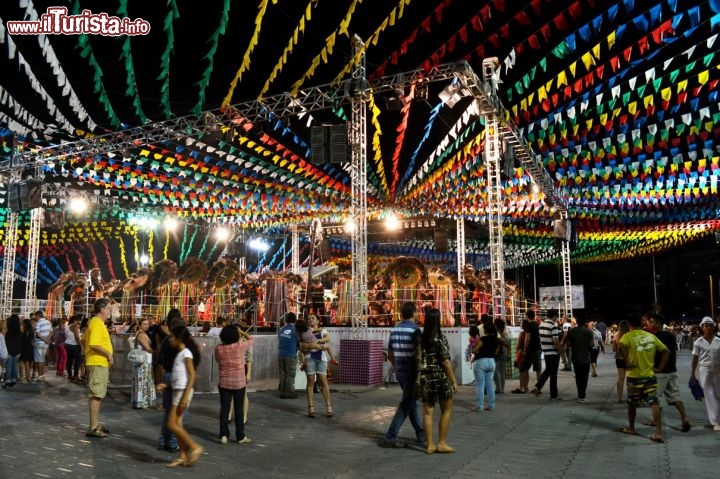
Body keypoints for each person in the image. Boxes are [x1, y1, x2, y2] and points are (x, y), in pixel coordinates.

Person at [616, 314, 669, 443]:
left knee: (632, 404)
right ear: (642, 323)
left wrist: (627, 362)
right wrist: (660, 368)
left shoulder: (627, 336)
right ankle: (658, 432)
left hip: (634, 377)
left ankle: (631, 428)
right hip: (650, 376)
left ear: (630, 325)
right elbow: (666, 351)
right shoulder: (651, 336)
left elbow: (620, 347)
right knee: (653, 403)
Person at [381, 302, 425, 448]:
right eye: (417, 312)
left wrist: (396, 367)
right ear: (413, 313)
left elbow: (390, 352)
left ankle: (420, 434)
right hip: (412, 371)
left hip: (400, 371)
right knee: (406, 403)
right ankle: (391, 435)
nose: (418, 314)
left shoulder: (395, 330)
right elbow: (419, 354)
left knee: (410, 402)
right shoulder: (416, 331)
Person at [160, 325, 203, 468]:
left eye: (172, 336)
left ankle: (194, 446)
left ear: (179, 338)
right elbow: (181, 377)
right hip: (178, 391)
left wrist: (185, 395)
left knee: (172, 424)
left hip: (182, 393)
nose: (170, 339)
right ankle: (183, 456)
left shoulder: (186, 353)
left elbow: (192, 375)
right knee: (176, 425)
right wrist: (167, 386)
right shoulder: (180, 353)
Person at [416, 308, 458, 454]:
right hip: (439, 377)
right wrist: (453, 381)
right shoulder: (440, 337)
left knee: (428, 412)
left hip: (424, 378)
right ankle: (441, 443)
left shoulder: (420, 338)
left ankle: (430, 445)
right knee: (446, 410)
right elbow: (445, 362)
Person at [644, 313, 691, 432]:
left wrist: (659, 368)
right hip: (672, 370)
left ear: (659, 323)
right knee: (675, 397)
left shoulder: (655, 337)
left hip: (660, 373)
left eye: (652, 321)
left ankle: (656, 424)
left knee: (655, 399)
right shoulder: (670, 335)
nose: (649, 323)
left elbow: (665, 353)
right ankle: (684, 417)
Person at [214, 324, 253, 444]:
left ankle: (224, 435)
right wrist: (241, 331)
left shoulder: (218, 348)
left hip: (224, 382)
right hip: (238, 383)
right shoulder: (240, 346)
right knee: (238, 409)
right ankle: (240, 436)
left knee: (224, 409)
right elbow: (252, 339)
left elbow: (217, 360)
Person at [83, 298, 114, 438]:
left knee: (97, 395)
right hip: (97, 362)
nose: (110, 311)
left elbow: (84, 339)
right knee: (96, 395)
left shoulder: (96, 323)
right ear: (102, 310)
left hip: (97, 362)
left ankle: (95, 424)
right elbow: (93, 344)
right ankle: (93, 427)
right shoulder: (96, 323)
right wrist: (108, 353)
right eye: (108, 308)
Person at [154, 309, 184, 452]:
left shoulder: (165, 340)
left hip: (167, 375)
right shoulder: (182, 342)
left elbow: (160, 360)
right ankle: (172, 443)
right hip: (178, 377)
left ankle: (163, 441)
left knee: (167, 411)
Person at [296, 315, 335, 418]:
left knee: (323, 381)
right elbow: (300, 344)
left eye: (313, 318)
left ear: (318, 320)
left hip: (321, 358)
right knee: (310, 382)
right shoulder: (303, 331)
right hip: (309, 358)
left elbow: (327, 338)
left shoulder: (322, 330)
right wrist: (305, 346)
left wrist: (317, 342)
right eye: (309, 318)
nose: (310, 319)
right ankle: (310, 406)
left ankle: (329, 406)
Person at [690, 316, 720, 432]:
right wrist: (692, 373)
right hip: (705, 371)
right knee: (710, 396)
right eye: (705, 325)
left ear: (714, 327)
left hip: (718, 370)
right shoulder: (698, 342)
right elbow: (694, 359)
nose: (708, 327)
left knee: (718, 395)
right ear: (702, 327)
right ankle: (716, 422)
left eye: (710, 325)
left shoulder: (719, 341)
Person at [562, 316, 594, 402]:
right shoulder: (589, 331)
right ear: (585, 322)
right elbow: (592, 344)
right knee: (585, 376)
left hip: (575, 357)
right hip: (585, 357)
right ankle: (583, 395)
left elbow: (568, 343)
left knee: (578, 376)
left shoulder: (571, 331)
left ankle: (580, 394)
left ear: (577, 322)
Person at [531, 310, 562, 400]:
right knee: (553, 375)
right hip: (554, 353)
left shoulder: (541, 326)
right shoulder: (553, 326)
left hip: (546, 352)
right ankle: (554, 395)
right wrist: (561, 350)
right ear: (555, 316)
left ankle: (537, 387)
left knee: (548, 371)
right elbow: (556, 341)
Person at [471, 321, 499, 411]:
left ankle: (479, 406)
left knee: (480, 385)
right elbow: (496, 353)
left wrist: (473, 346)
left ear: (485, 330)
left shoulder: (482, 339)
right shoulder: (496, 340)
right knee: (490, 385)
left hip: (481, 362)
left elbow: (474, 350)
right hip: (491, 362)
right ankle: (491, 405)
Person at [131, 318, 156, 409]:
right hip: (143, 361)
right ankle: (142, 402)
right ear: (140, 325)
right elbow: (147, 348)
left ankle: (141, 401)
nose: (146, 326)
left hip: (144, 360)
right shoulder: (141, 334)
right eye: (144, 324)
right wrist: (155, 352)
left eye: (147, 324)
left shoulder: (142, 333)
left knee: (143, 381)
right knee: (143, 381)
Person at [277, 312, 299, 398]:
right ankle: (289, 392)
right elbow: (298, 341)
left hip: (280, 354)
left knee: (282, 373)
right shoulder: (296, 330)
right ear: (295, 320)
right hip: (290, 354)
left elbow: (280, 339)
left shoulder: (281, 329)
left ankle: (282, 392)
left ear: (286, 320)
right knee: (290, 373)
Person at [612, 320, 630, 403]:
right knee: (630, 378)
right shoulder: (630, 334)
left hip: (619, 359)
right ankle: (631, 396)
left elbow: (614, 349)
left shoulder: (616, 335)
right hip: (630, 358)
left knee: (620, 378)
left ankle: (619, 397)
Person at [2, 315, 22, 388]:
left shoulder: (7, 327)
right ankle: (13, 380)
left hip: (9, 348)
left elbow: (3, 337)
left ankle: (7, 381)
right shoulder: (20, 328)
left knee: (9, 366)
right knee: (15, 366)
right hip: (18, 349)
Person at [33, 311, 53, 381]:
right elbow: (51, 332)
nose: (34, 318)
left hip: (39, 343)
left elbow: (38, 334)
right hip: (45, 344)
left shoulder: (37, 323)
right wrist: (47, 340)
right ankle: (42, 375)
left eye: (35, 316)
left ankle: (40, 376)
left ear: (38, 316)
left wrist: (44, 340)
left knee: (39, 360)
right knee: (43, 359)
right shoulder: (48, 322)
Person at [493, 318, 510, 394]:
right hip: (505, 353)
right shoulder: (506, 333)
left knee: (497, 372)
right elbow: (508, 345)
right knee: (502, 372)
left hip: (499, 353)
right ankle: (502, 389)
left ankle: (499, 389)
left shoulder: (497, 334)